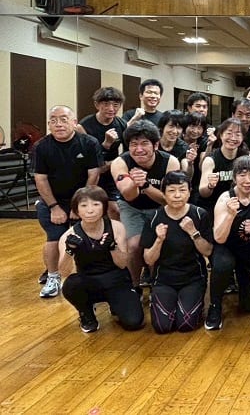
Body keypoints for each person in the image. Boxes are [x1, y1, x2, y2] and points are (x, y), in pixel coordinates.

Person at [35, 105, 103, 298]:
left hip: (82, 199)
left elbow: (93, 175)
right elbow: (40, 179)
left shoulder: (88, 143)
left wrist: (79, 205)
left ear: (74, 123)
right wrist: (54, 207)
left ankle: (92, 275)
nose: (58, 124)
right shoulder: (41, 147)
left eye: (63, 119)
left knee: (89, 238)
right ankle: (53, 277)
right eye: (53, 120)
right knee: (55, 237)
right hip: (53, 200)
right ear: (49, 125)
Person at [58, 186, 144, 332]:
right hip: (89, 282)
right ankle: (86, 313)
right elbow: (64, 272)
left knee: (134, 322)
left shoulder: (116, 227)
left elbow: (122, 264)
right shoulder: (68, 235)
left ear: (104, 207)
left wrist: (112, 246)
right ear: (76, 210)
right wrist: (69, 250)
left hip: (116, 280)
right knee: (71, 284)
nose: (90, 210)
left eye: (95, 204)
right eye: (84, 206)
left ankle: (116, 305)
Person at [110, 120, 180, 288]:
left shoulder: (170, 162)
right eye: (134, 144)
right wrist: (135, 183)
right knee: (134, 245)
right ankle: (134, 286)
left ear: (155, 145)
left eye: (144, 144)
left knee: (158, 244)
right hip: (132, 207)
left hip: (160, 208)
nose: (139, 149)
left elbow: (169, 200)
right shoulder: (120, 163)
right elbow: (128, 195)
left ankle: (158, 284)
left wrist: (146, 185)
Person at [142, 172, 213, 333]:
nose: (177, 195)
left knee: (185, 325)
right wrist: (159, 240)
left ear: (189, 192)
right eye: (171, 190)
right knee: (162, 327)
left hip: (193, 278)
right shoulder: (154, 217)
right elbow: (149, 260)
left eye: (182, 190)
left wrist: (193, 232)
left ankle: (194, 303)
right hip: (164, 279)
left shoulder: (200, 214)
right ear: (164, 193)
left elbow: (208, 251)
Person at [208, 155, 250, 329]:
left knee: (249, 306)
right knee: (223, 264)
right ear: (235, 177)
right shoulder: (225, 198)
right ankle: (215, 305)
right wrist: (230, 215)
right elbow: (219, 238)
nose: (247, 180)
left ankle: (244, 285)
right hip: (227, 248)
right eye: (242, 175)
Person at [76, 86, 127, 220]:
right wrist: (106, 144)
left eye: (115, 105)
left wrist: (115, 164)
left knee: (115, 209)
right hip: (90, 173)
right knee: (93, 209)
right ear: (97, 104)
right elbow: (87, 156)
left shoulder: (122, 124)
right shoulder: (83, 126)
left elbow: (128, 151)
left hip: (112, 171)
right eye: (106, 104)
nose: (111, 108)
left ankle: (115, 232)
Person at [198, 118, 250, 215]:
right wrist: (210, 186)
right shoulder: (210, 160)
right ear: (221, 135)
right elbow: (203, 192)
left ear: (242, 137)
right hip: (213, 206)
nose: (233, 138)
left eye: (237, 134)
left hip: (238, 206)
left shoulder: (246, 158)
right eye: (229, 133)